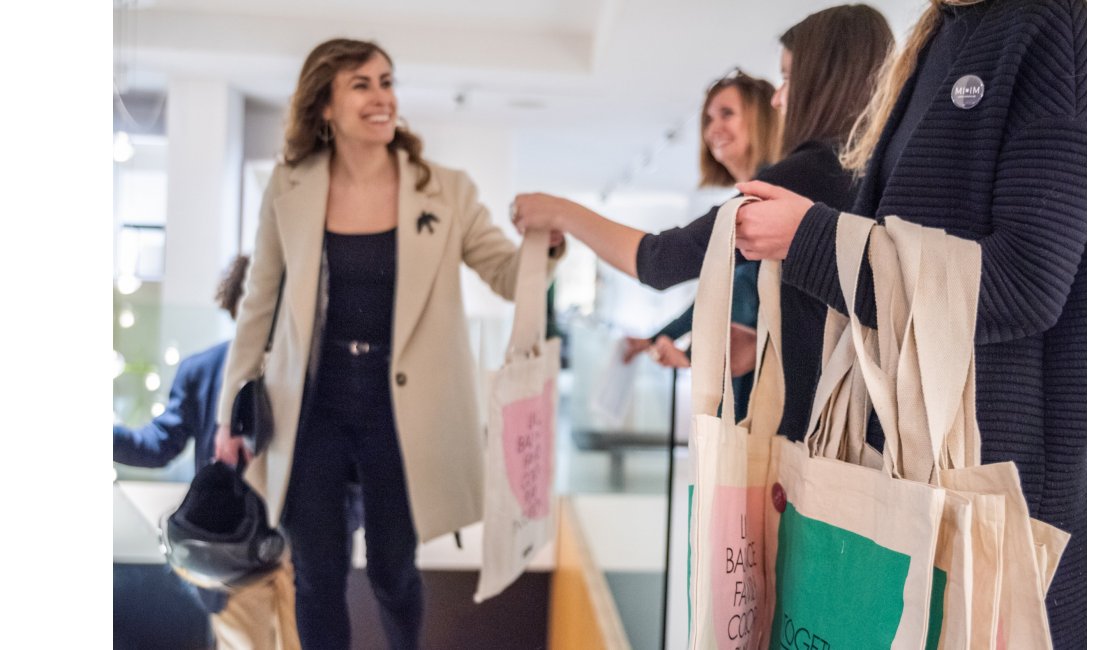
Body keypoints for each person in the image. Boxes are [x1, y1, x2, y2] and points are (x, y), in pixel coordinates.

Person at [732, 0, 1086, 643]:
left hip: (1001, 489)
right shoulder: (936, 40)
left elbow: (1027, 282)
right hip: (912, 473)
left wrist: (811, 238)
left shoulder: (1051, 24)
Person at [213, 38, 563, 650]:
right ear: (324, 105)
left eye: (387, 81)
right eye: (362, 85)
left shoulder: (444, 190)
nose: (383, 98)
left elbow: (507, 277)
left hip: (404, 410)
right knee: (316, 574)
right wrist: (228, 416)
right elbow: (258, 303)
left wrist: (547, 248)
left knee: (391, 570)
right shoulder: (288, 188)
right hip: (312, 406)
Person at [514, 5, 893, 439]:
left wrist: (561, 211)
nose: (778, 96)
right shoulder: (878, 170)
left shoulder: (806, 173)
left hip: (813, 433)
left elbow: (660, 261)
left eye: (788, 78)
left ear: (824, 82)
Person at [114, 255, 301, 650]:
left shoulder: (309, 372)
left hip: (302, 554)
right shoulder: (203, 369)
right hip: (234, 556)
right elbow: (157, 445)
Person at [619, 70, 777, 420]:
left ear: (760, 119)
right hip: (735, 393)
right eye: (708, 118)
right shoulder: (744, 201)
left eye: (727, 114)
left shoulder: (766, 203)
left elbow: (750, 310)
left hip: (761, 399)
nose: (712, 129)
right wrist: (654, 339)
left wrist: (690, 356)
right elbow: (713, 299)